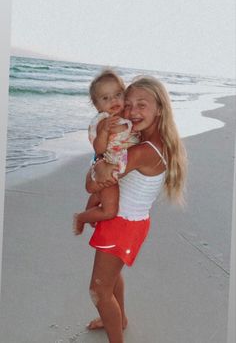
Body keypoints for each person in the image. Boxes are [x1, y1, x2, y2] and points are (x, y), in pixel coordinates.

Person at [73, 76, 187, 343]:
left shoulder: (142, 151)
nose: (133, 111)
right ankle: (118, 318)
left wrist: (97, 163)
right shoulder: (142, 142)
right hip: (127, 221)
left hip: (122, 225)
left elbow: (93, 184)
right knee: (111, 277)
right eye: (129, 103)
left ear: (159, 108)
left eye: (142, 105)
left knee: (99, 291)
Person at [73, 69, 140, 235]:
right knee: (109, 211)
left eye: (118, 94)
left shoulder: (126, 115)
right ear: (97, 105)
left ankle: (90, 211)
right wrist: (103, 133)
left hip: (119, 166)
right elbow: (99, 149)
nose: (113, 100)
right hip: (108, 166)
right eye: (105, 98)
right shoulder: (104, 122)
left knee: (98, 196)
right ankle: (81, 217)